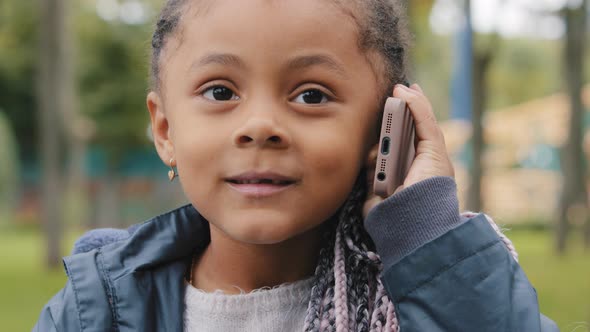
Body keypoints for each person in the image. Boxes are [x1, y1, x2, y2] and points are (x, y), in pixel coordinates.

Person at [34, 0, 559, 331]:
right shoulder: (95, 308)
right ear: (166, 131)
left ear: (382, 132)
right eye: (221, 91)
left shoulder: (424, 292)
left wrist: (425, 237)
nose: (261, 125)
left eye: (311, 96)